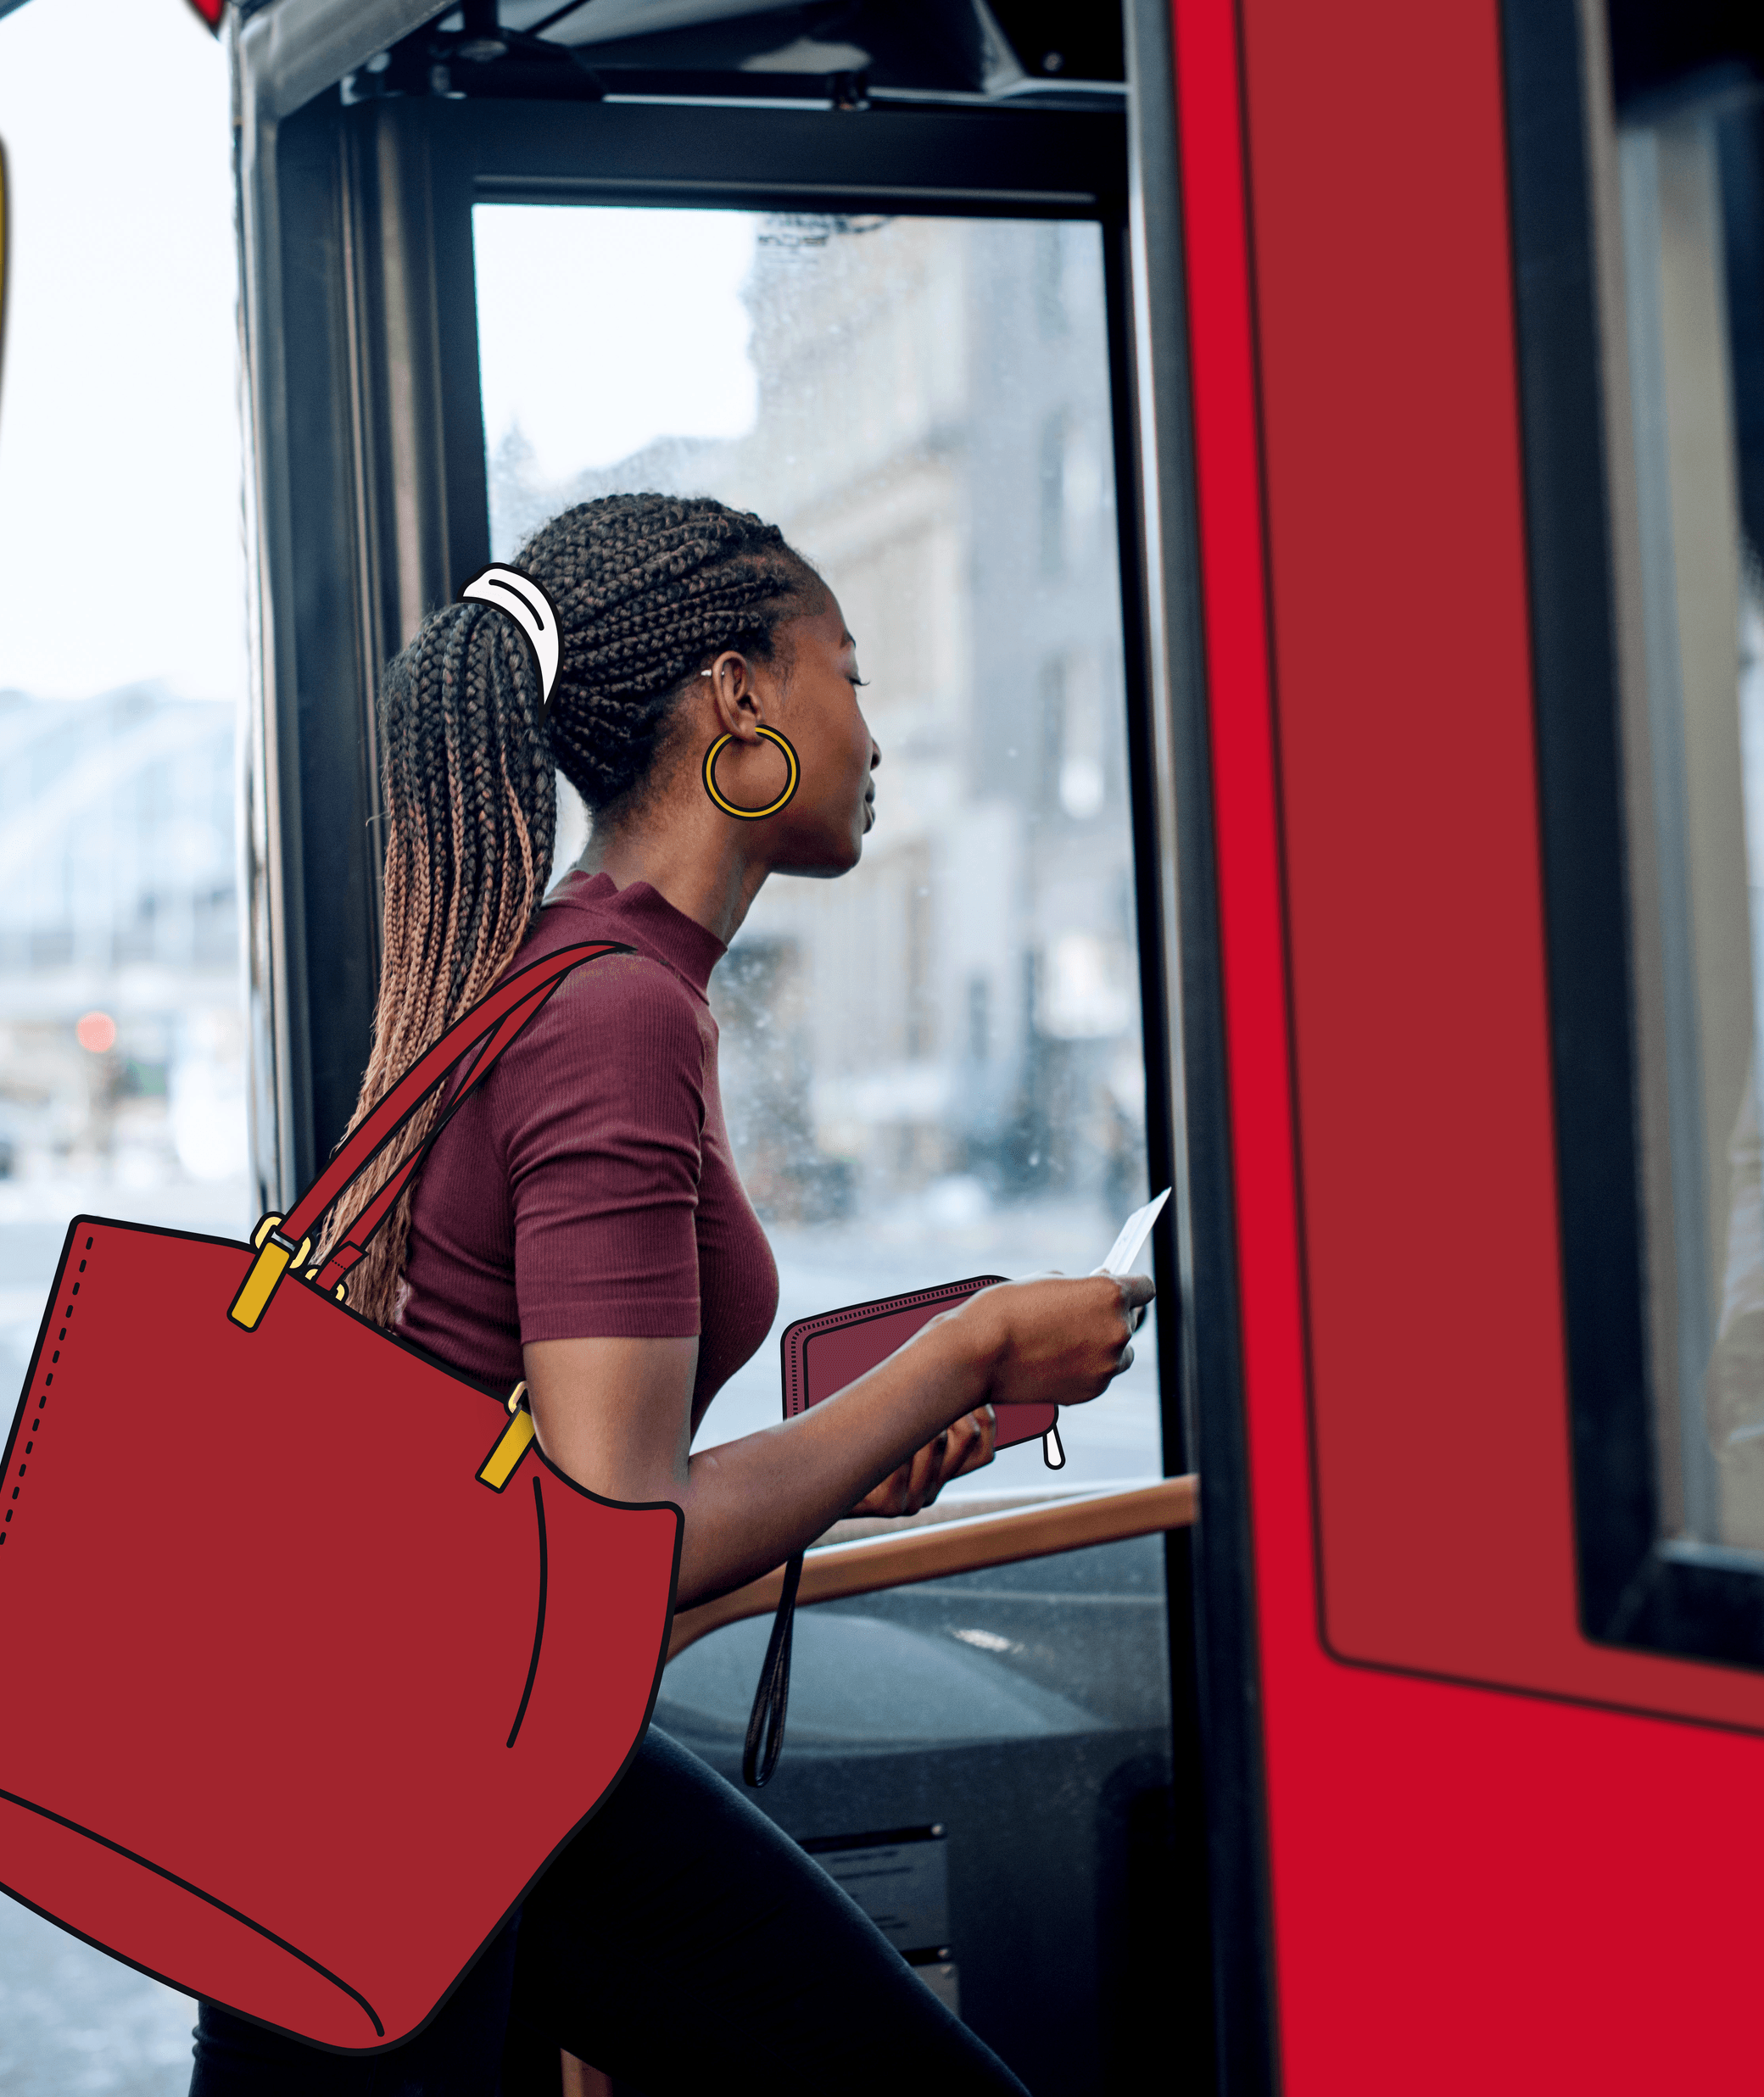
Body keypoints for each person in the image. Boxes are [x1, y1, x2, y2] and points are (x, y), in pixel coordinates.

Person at [187, 494, 1146, 2094]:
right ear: (741, 697)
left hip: (441, 1762)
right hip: (422, 1787)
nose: (876, 731)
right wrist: (969, 1347)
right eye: (849, 669)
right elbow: (613, 1534)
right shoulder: (615, 1015)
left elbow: (561, 1571)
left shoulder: (587, 977)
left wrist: (851, 1461)